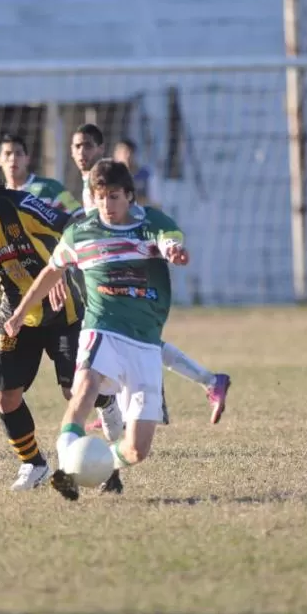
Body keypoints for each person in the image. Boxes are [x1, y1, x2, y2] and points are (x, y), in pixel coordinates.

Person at [4, 160, 189, 501]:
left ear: (130, 197)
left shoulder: (151, 223)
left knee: (137, 449)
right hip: (101, 326)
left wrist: (173, 251)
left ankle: (99, 466)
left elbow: (167, 241)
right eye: (100, 196)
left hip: (144, 341)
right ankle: (64, 469)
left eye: (115, 196)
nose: (107, 205)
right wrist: (19, 312)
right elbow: (51, 271)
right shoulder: (80, 232)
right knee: (85, 388)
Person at [0, 156, 120, 491]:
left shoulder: (23, 206)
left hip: (63, 312)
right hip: (17, 317)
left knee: (74, 391)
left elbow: (71, 225)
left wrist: (56, 269)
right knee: (5, 396)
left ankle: (107, 411)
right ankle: (34, 465)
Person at [68, 123, 231, 427]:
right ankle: (204, 382)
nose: (82, 152)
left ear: (102, 150)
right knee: (132, 343)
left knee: (129, 342)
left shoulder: (107, 182)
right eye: (77, 146)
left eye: (88, 146)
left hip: (129, 269)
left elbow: (144, 216)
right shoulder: (89, 183)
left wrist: (163, 244)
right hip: (105, 271)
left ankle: (134, 407)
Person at [0, 132, 81, 213]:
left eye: (18, 154)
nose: (13, 158)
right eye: (7, 154)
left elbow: (79, 215)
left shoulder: (53, 186)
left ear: (27, 159)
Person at [113, 138, 161, 208]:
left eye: (129, 152)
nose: (126, 156)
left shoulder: (147, 175)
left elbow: (156, 203)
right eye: (122, 153)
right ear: (115, 155)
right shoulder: (109, 176)